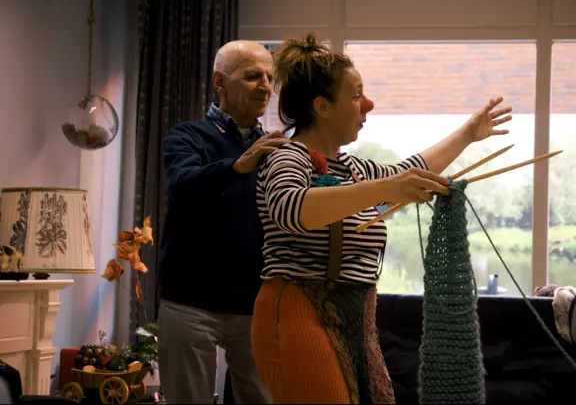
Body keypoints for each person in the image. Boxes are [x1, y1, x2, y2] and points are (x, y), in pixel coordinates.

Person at [251, 33, 512, 404]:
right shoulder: (287, 156)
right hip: (297, 312)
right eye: (356, 95)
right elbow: (292, 209)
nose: (368, 105)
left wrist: (468, 134)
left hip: (354, 315)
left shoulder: (354, 169)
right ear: (323, 106)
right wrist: (387, 188)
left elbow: (411, 171)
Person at [157, 40, 287, 404]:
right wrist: (239, 165)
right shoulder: (186, 136)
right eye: (252, 76)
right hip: (189, 303)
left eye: (269, 77)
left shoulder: (273, 149)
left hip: (256, 305)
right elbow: (182, 184)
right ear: (220, 82)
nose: (265, 86)